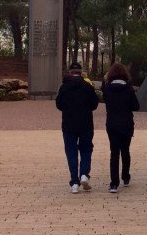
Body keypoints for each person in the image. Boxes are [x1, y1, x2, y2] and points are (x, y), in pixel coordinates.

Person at [55, 61, 99, 193]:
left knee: (71, 151)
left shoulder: (64, 87)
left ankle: (74, 182)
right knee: (86, 149)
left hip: (69, 124)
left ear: (70, 72)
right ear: (81, 73)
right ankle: (84, 174)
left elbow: (59, 105)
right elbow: (94, 104)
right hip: (85, 123)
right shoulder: (87, 86)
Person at [102, 62, 140, 193]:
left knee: (114, 153)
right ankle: (126, 176)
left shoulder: (107, 89)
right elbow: (136, 106)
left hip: (112, 123)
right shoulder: (128, 89)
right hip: (126, 123)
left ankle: (114, 183)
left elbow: (106, 101)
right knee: (125, 151)